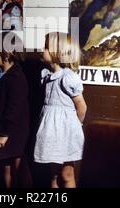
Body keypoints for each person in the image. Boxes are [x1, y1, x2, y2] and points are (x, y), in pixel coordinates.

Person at [34, 32, 87, 188]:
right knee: (53, 176)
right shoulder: (46, 76)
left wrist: (73, 127)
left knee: (66, 174)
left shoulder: (67, 78)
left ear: (57, 51)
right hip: (50, 133)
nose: (41, 50)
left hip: (65, 133)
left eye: (45, 47)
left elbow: (81, 107)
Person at [0, 32, 29, 188]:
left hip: (12, 133)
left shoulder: (16, 77)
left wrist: (3, 133)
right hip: (5, 131)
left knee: (16, 170)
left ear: (6, 53)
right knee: (6, 169)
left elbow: (14, 108)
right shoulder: (2, 75)